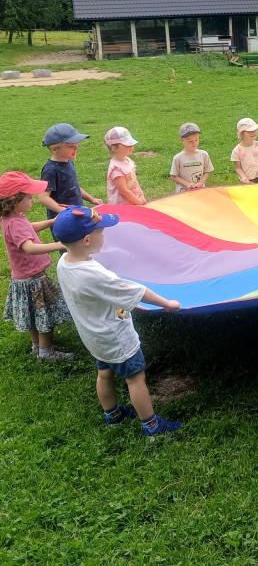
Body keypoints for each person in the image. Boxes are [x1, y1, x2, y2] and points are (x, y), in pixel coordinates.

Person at [53, 206, 182, 436]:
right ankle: (152, 426)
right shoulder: (93, 275)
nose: (104, 235)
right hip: (116, 338)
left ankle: (112, 415)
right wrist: (166, 303)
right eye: (101, 231)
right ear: (87, 240)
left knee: (104, 373)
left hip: (94, 337)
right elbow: (136, 291)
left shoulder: (64, 261)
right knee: (135, 378)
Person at [1, 171, 74, 360]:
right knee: (44, 316)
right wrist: (61, 244)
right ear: (14, 201)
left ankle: (37, 347)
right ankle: (46, 353)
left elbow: (29, 228)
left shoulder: (12, 219)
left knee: (34, 316)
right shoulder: (15, 223)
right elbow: (30, 248)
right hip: (34, 280)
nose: (33, 199)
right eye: (29, 197)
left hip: (23, 278)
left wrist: (52, 221)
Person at [39, 123, 103, 217]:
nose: (76, 147)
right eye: (71, 145)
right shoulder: (50, 170)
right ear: (55, 149)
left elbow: (74, 187)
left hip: (77, 213)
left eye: (76, 144)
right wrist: (62, 210)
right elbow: (43, 197)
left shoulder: (69, 162)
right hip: (63, 219)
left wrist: (91, 199)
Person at [104, 127, 146, 206]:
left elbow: (135, 181)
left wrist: (141, 195)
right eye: (127, 144)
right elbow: (124, 191)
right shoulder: (116, 169)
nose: (131, 146)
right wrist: (139, 202)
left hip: (133, 202)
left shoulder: (128, 160)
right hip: (122, 208)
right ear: (114, 148)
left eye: (131, 144)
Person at [170, 122, 214, 193]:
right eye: (190, 141)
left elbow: (208, 171)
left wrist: (201, 182)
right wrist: (187, 184)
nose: (194, 143)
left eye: (196, 140)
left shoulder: (204, 154)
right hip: (183, 192)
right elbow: (173, 176)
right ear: (182, 140)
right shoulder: (178, 158)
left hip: (200, 190)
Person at [231, 118, 258, 185]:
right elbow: (238, 168)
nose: (253, 133)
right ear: (242, 133)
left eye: (254, 130)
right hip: (247, 181)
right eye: (249, 131)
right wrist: (243, 177)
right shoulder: (236, 151)